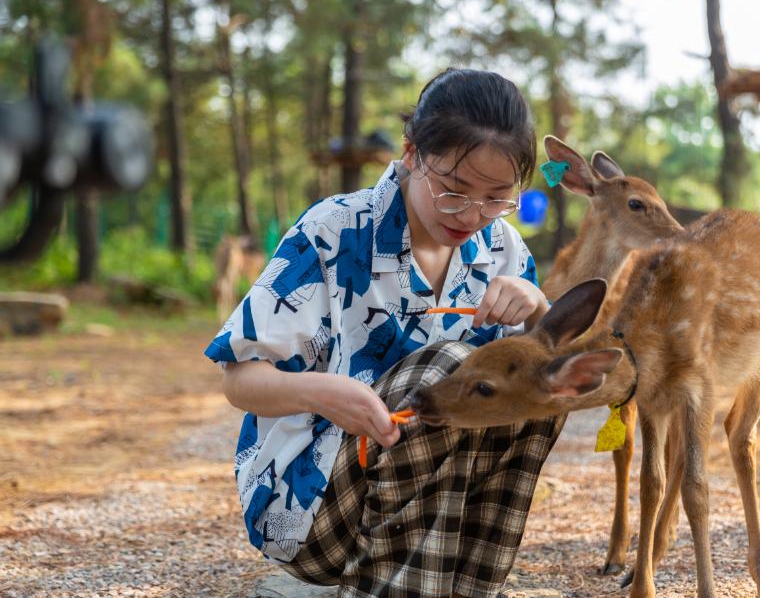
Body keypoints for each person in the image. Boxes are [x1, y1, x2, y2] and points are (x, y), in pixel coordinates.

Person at [204, 68, 565, 598]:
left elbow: (547, 361)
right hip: (319, 510)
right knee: (443, 372)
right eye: (453, 191)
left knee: (538, 384)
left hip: (445, 523)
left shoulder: (503, 250)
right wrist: (321, 393)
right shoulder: (333, 231)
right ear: (412, 152)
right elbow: (239, 379)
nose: (472, 214)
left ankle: (464, 586)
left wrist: (537, 312)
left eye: (496, 198)